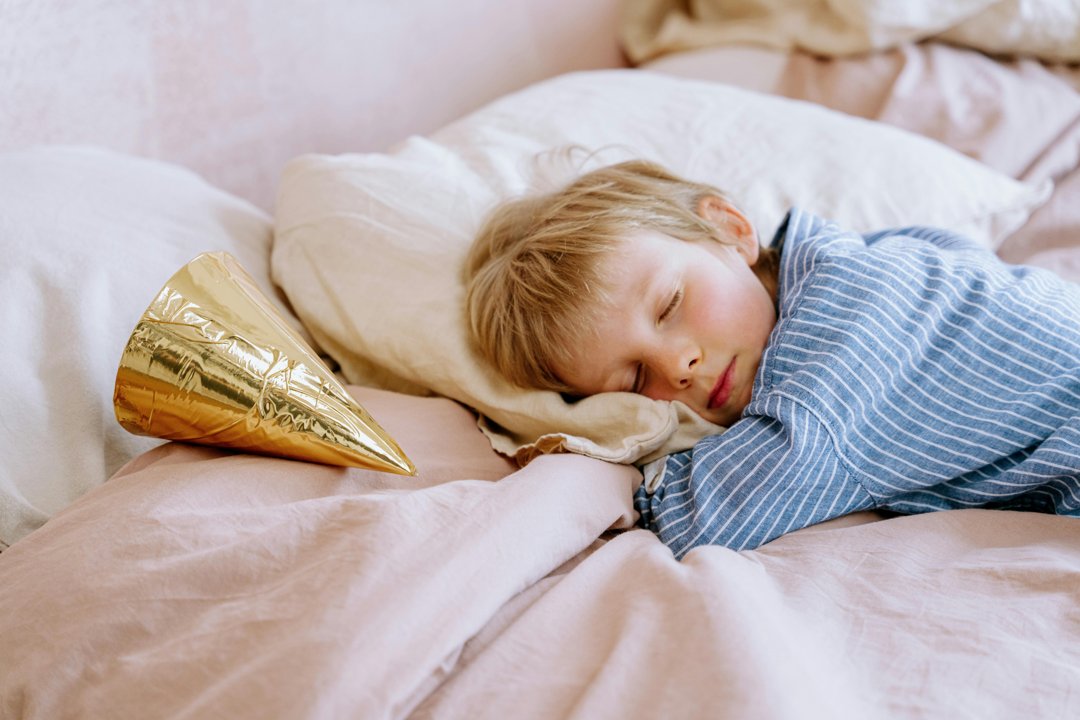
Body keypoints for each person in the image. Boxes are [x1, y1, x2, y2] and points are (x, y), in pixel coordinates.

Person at [464, 159, 1080, 559]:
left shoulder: (820, 384)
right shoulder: (853, 254)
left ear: (731, 227)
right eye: (633, 379)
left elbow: (698, 520)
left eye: (670, 304)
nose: (678, 366)